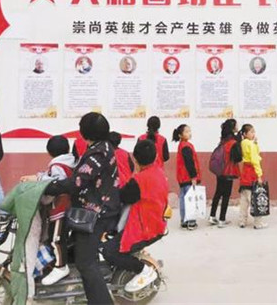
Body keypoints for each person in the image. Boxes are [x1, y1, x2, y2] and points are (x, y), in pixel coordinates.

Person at [44, 112, 120, 305]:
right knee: (78, 254)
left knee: (85, 263)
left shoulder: (97, 154)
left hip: (96, 214)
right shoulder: (102, 147)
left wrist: (45, 186)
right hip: (95, 209)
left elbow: (76, 182)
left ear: (85, 132)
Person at [101, 139, 168, 293]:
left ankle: (144, 271)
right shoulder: (158, 171)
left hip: (144, 227)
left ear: (135, 160)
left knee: (109, 251)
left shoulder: (139, 180)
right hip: (155, 222)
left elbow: (123, 196)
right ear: (155, 156)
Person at [21, 135, 76, 285]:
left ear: (49, 152)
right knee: (56, 237)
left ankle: (61, 266)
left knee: (56, 239)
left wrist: (40, 181)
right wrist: (39, 176)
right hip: (68, 206)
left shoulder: (57, 165)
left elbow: (56, 183)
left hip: (60, 207)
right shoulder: (70, 161)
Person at [209, 119, 242, 228]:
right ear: (233, 128)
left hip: (220, 171)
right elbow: (238, 158)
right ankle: (222, 219)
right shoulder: (233, 143)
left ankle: (212, 216)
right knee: (226, 195)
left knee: (218, 193)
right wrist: (239, 142)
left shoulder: (223, 141)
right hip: (229, 171)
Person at [173, 124, 201, 230]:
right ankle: (191, 222)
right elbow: (189, 163)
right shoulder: (186, 146)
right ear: (180, 135)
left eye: (189, 131)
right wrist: (193, 177)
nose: (189, 133)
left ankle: (184, 221)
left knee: (183, 199)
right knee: (190, 199)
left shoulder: (182, 145)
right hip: (188, 177)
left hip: (182, 177)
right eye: (186, 132)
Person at [239, 124, 268, 230]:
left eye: (254, 131)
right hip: (252, 172)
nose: (253, 134)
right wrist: (259, 175)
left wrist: (255, 143)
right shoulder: (250, 144)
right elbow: (255, 159)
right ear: (245, 134)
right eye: (251, 132)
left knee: (244, 200)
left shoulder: (243, 143)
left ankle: (242, 221)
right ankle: (258, 222)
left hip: (244, 172)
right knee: (255, 198)